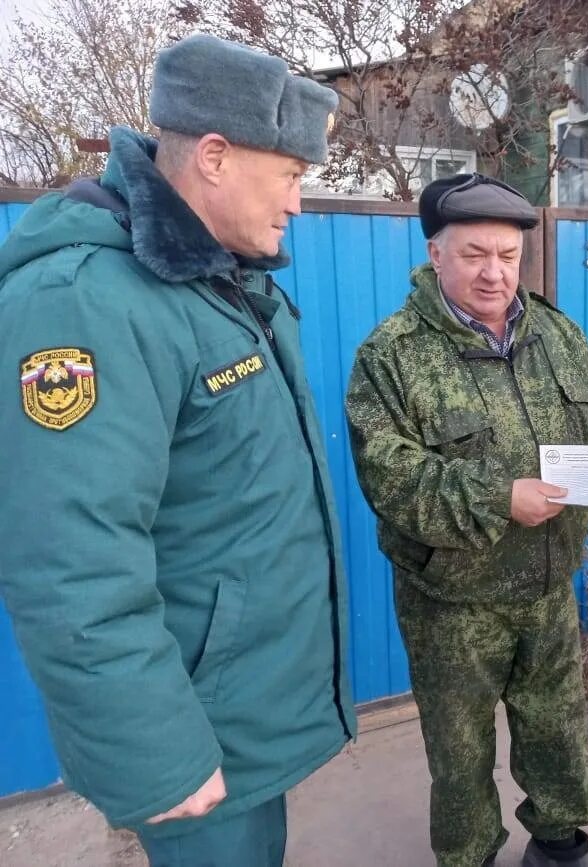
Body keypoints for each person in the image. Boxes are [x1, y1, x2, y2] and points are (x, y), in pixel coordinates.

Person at [0, 34, 356, 866]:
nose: (299, 204)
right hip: (190, 734)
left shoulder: (217, 278)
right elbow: (69, 561)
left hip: (239, 711)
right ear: (217, 156)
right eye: (292, 177)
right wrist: (159, 754)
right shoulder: (83, 301)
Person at [345, 173, 588, 867]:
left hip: (546, 591)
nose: (494, 273)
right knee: (460, 755)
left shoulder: (556, 332)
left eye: (507, 256)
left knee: (555, 732)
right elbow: (392, 479)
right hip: (452, 603)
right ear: (436, 253)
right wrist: (496, 496)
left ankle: (559, 843)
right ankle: (470, 856)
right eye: (475, 253)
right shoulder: (391, 357)